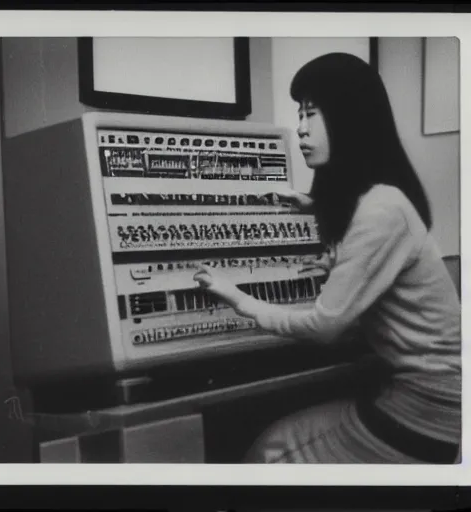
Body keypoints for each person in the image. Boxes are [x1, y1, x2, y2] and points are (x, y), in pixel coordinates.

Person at [193, 52, 461, 464]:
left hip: (428, 414)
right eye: (298, 116)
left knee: (269, 452)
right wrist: (308, 204)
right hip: (435, 405)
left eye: (311, 115)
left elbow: (323, 327)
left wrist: (239, 299)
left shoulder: (381, 209)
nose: (300, 130)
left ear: (348, 118)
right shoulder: (384, 197)